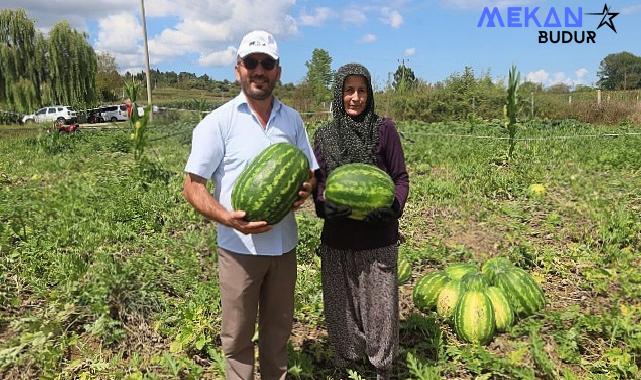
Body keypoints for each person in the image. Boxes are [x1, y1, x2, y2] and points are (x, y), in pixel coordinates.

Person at [182, 30, 318, 380]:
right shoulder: (218, 122)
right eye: (252, 63)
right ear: (238, 69)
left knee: (278, 334)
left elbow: (311, 173)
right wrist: (228, 218)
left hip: (283, 247)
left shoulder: (292, 120)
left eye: (267, 63)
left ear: (278, 72)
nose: (259, 70)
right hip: (238, 249)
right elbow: (192, 185)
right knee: (238, 338)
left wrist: (304, 190)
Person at [312, 63, 409, 380]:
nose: (355, 97)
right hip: (337, 238)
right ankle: (347, 367)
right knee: (342, 309)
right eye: (348, 90)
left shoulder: (384, 130)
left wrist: (393, 206)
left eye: (361, 90)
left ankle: (381, 369)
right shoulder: (324, 136)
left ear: (369, 93)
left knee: (380, 311)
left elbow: (400, 178)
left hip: (378, 238)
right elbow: (319, 185)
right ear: (338, 94)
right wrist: (323, 207)